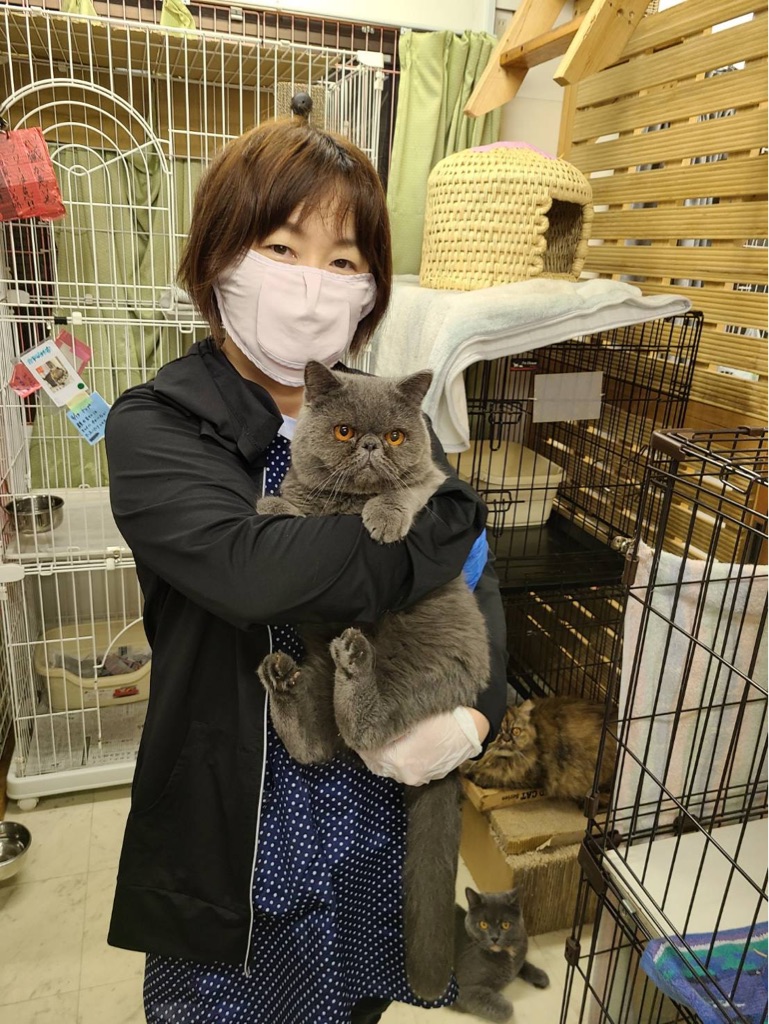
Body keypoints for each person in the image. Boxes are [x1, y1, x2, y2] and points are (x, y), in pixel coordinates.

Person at [105, 117, 508, 1024]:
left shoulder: (385, 406)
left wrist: (476, 714)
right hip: (243, 816)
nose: (310, 283)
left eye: (342, 259)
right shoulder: (158, 424)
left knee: (358, 995)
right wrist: (444, 520)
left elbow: (473, 582)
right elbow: (255, 573)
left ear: (368, 288)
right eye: (282, 248)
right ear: (218, 259)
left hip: (376, 791)